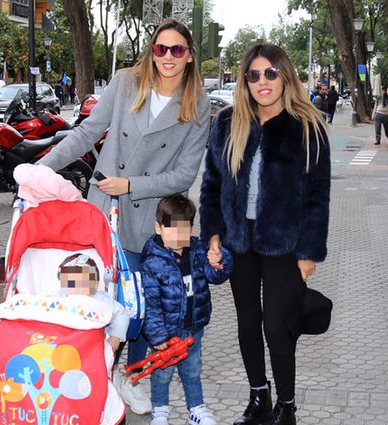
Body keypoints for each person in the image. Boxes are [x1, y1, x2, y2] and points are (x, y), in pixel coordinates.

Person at [37, 18, 210, 416]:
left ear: (188, 56)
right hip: (106, 209)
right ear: (152, 50)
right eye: (161, 49)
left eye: (177, 50)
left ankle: (129, 375)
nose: (168, 57)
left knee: (142, 306)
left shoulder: (196, 101)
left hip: (153, 218)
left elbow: (185, 175)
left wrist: (131, 184)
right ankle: (87, 371)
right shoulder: (125, 82)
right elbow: (86, 133)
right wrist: (43, 168)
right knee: (95, 293)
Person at [200, 43, 330, 425]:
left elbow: (318, 195)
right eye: (253, 74)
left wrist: (309, 252)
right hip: (239, 238)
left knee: (276, 323)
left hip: (284, 241)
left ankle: (286, 406)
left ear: (284, 76)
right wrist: (213, 235)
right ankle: (259, 397)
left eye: (270, 73)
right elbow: (211, 184)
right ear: (245, 81)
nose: (262, 81)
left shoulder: (307, 125)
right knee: (246, 320)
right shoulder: (227, 123)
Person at [140, 194, 233, 425]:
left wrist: (220, 260)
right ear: (159, 228)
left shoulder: (198, 251)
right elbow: (150, 303)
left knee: (192, 372)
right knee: (162, 374)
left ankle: (196, 408)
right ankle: (160, 410)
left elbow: (215, 276)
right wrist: (157, 335)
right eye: (172, 230)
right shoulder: (152, 262)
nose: (179, 236)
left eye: (185, 229)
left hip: (194, 329)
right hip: (166, 335)